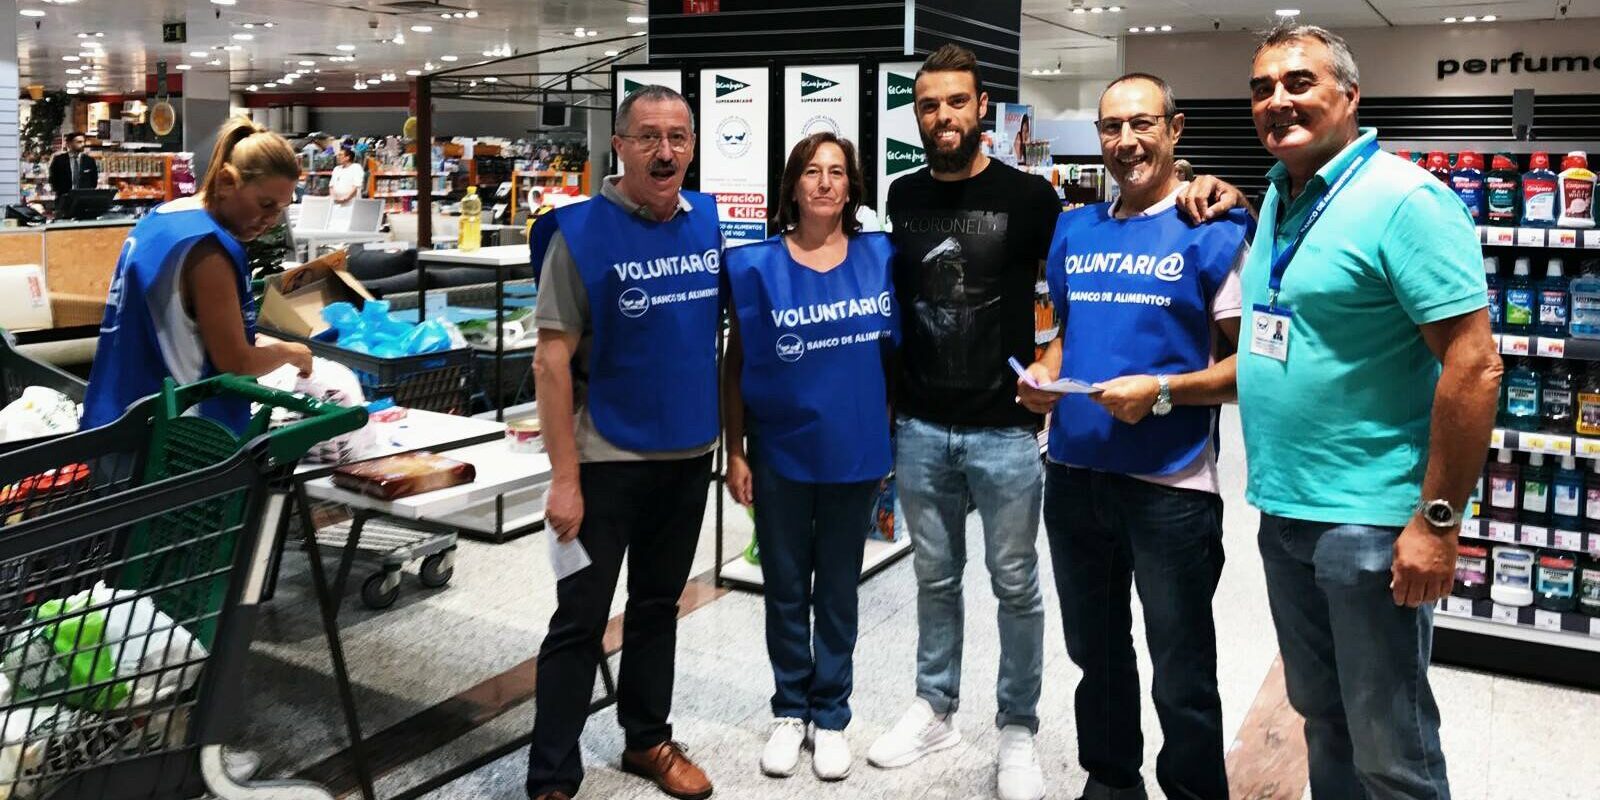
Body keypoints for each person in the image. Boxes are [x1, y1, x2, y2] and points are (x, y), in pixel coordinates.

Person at [1202, 24, 1499, 799]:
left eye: (1299, 82)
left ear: (1351, 95)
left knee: (1390, 747)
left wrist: (1436, 521)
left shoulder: (1405, 200)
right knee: (1322, 718)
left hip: (1369, 525)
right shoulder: (1281, 193)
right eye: (1262, 88)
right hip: (1286, 511)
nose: (1277, 101)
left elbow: (1474, 365)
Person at [1018, 73, 1251, 800]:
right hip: (1076, 475)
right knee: (1098, 656)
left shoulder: (1214, 231)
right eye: (1111, 127)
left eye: (1142, 124)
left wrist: (1163, 394)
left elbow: (1252, 368)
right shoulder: (1074, 229)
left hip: (1172, 490)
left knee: (1181, 670)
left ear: (1175, 129)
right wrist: (1042, 377)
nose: (1126, 142)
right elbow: (1066, 336)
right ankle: (1111, 783)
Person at [864, 43, 1059, 800]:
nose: (942, 116)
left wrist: (1054, 362)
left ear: (984, 109)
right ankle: (935, 705)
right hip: (919, 426)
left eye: (955, 102)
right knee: (934, 576)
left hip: (1006, 428)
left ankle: (1018, 728)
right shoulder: (903, 195)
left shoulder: (1031, 198)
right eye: (928, 105)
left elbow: (1070, 291)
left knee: (1016, 583)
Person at [526, 84, 720, 800]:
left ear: (693, 146)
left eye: (678, 137)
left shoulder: (707, 224)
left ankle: (647, 740)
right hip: (604, 456)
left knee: (656, 608)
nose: (664, 151)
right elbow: (550, 362)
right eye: (647, 137)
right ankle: (551, 773)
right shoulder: (577, 234)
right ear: (619, 144)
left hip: (687, 453)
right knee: (579, 621)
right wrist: (565, 477)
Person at [723, 132, 897, 784]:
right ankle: (788, 710)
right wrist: (734, 450)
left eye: (837, 172)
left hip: (855, 452)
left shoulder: (882, 259)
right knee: (787, 590)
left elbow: (894, 361)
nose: (825, 183)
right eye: (812, 172)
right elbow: (735, 361)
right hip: (779, 454)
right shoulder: (755, 266)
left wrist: (888, 438)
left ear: (851, 186)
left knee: (841, 591)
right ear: (793, 185)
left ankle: (831, 716)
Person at [82, 117, 311, 433]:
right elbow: (236, 363)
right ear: (227, 181)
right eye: (265, 204)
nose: (271, 220)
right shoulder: (209, 250)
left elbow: (176, 325)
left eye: (280, 209)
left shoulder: (163, 218)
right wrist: (290, 352)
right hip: (179, 440)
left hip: (119, 417)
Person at [48, 132, 98, 198]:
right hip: (64, 198)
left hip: (84, 199)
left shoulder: (89, 161)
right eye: (79, 142)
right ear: (69, 143)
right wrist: (60, 192)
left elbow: (93, 181)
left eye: (83, 142)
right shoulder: (59, 160)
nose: (83, 144)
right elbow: (53, 179)